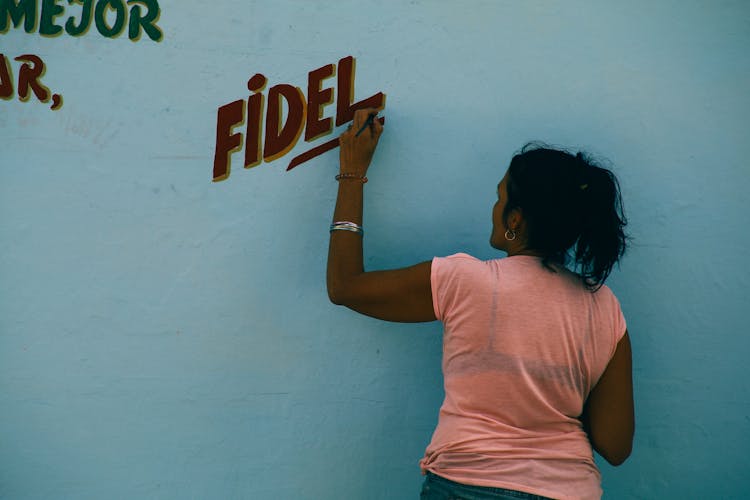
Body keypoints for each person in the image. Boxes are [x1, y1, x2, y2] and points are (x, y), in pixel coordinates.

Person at [327, 109, 634, 500]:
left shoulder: (466, 281)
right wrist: (554, 386)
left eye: (499, 198)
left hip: (467, 485)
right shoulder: (604, 307)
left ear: (516, 219)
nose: (493, 208)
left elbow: (345, 286)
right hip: (570, 490)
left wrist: (352, 173)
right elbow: (615, 445)